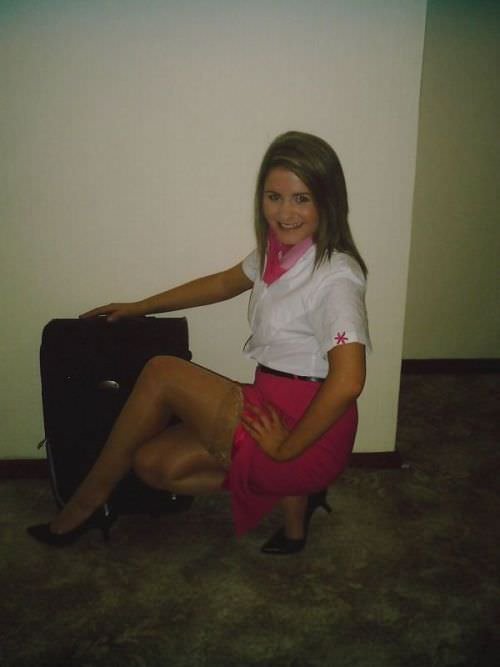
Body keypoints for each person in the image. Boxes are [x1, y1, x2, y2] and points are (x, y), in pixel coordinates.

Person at [28, 130, 370, 554]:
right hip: (270, 402)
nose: (284, 212)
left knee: (162, 372)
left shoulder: (336, 276)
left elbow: (349, 380)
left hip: (308, 427)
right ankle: (292, 498)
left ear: (327, 201)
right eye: (274, 197)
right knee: (153, 465)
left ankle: (86, 503)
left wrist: (287, 448)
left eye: (301, 199)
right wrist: (141, 306)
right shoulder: (277, 252)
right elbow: (223, 284)